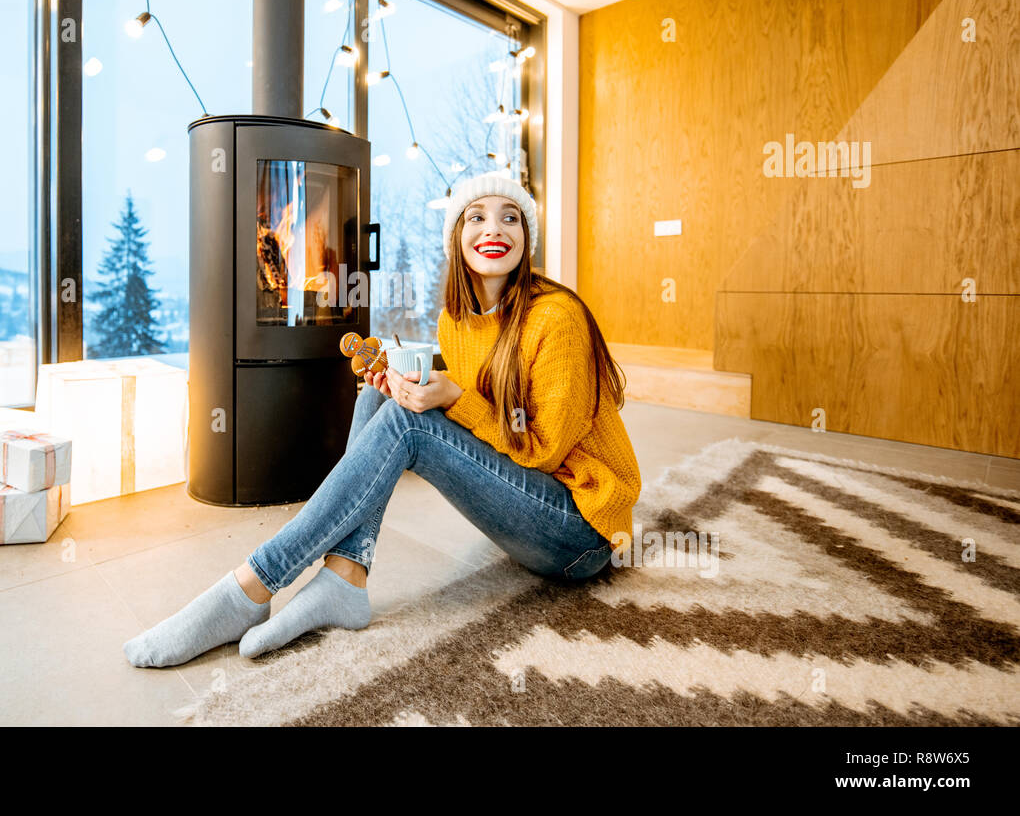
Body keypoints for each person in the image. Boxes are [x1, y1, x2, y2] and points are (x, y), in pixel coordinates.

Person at [124, 172, 642, 668]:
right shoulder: (454, 321)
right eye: (476, 217)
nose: (493, 229)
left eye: (510, 218)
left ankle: (251, 586)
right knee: (376, 402)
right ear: (457, 237)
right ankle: (346, 576)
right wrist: (412, 388)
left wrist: (453, 397)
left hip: (580, 532)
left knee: (406, 424)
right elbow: (483, 412)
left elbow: (544, 449)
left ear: (525, 236)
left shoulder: (556, 317)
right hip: (528, 510)